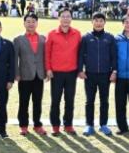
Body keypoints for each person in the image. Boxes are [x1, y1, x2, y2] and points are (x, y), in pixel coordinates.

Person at [78, 12, 117, 136]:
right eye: (96, 20)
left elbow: (114, 56)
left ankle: (103, 124)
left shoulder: (110, 37)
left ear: (105, 22)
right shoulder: (86, 37)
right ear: (92, 22)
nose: (98, 23)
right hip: (90, 74)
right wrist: (80, 70)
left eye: (101, 21)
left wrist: (114, 71)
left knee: (104, 100)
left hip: (105, 74)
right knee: (89, 101)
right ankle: (89, 125)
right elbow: (80, 55)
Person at [45, 8, 81, 136]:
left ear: (71, 18)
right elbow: (47, 53)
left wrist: (80, 69)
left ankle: (68, 125)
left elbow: (80, 53)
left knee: (69, 100)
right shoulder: (52, 34)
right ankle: (55, 126)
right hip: (56, 73)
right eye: (63, 16)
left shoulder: (77, 34)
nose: (66, 19)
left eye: (68, 16)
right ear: (59, 18)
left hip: (71, 72)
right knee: (55, 100)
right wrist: (48, 69)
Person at [13, 13, 48, 136]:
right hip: (24, 75)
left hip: (39, 75)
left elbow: (46, 57)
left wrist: (47, 71)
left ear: (37, 23)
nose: (31, 24)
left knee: (37, 101)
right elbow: (14, 59)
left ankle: (37, 125)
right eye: (28, 21)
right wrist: (16, 74)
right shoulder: (18, 39)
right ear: (24, 23)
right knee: (24, 101)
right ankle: (23, 125)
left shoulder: (43, 39)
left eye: (33, 21)